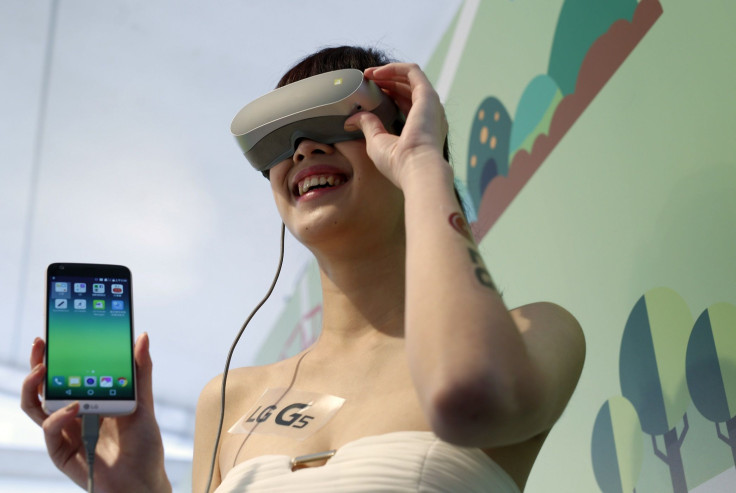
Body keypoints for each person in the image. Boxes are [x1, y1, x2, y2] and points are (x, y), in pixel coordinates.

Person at [21, 46, 585, 492]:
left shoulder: (536, 333)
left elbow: (469, 391)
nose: (303, 147)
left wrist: (420, 164)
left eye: (340, 120)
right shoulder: (226, 400)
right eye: (279, 140)